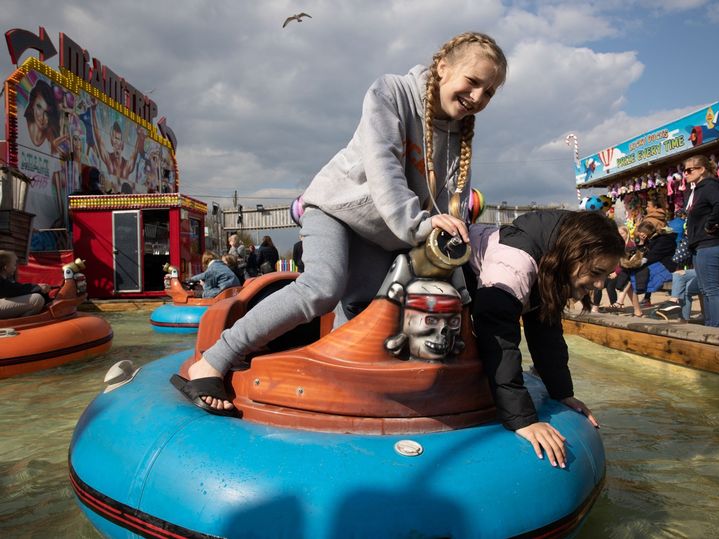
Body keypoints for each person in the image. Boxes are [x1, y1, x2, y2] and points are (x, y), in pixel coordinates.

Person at [172, 32, 508, 416]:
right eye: (474, 82)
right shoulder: (391, 92)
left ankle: (335, 393)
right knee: (321, 288)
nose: (479, 97)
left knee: (370, 312)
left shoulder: (459, 135)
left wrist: (461, 287)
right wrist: (420, 227)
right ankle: (214, 360)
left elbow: (451, 211)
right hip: (339, 210)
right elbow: (386, 175)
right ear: (443, 67)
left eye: (490, 92)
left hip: (384, 235)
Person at [468, 210, 625, 467]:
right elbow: (497, 339)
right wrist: (522, 419)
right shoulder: (513, 264)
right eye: (596, 272)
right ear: (574, 254)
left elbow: (546, 331)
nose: (599, 284)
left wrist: (562, 392)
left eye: (605, 275)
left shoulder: (555, 264)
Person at [683, 154, 719, 327]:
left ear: (702, 170)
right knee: (705, 289)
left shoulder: (708, 186)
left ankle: (715, 327)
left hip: (710, 243)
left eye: (689, 170)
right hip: (700, 245)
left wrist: (711, 224)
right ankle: (710, 324)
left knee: (711, 289)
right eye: (684, 171)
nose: (685, 174)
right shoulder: (696, 190)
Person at [90, 101, 146, 192]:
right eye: (114, 138)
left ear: (122, 143)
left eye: (118, 138)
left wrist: (139, 136)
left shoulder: (126, 166)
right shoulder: (109, 161)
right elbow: (98, 138)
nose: (116, 142)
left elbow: (135, 152)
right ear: (111, 141)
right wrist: (93, 110)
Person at [626, 220, 677, 316]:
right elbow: (644, 253)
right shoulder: (651, 240)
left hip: (666, 266)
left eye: (641, 232)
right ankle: (636, 306)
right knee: (628, 276)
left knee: (631, 276)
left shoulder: (663, 239)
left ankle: (636, 304)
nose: (640, 234)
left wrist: (640, 262)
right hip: (656, 263)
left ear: (645, 232)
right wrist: (641, 242)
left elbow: (653, 255)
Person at [0, 250, 51, 319]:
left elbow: (16, 288)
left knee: (36, 296)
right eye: (14, 265)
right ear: (6, 267)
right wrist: (37, 287)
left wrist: (39, 288)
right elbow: (11, 290)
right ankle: (17, 324)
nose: (15, 267)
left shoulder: (6, 280)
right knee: (37, 299)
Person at [23, 80, 60, 152]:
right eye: (39, 107)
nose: (42, 117)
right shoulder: (18, 124)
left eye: (47, 112)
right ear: (32, 104)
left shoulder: (52, 140)